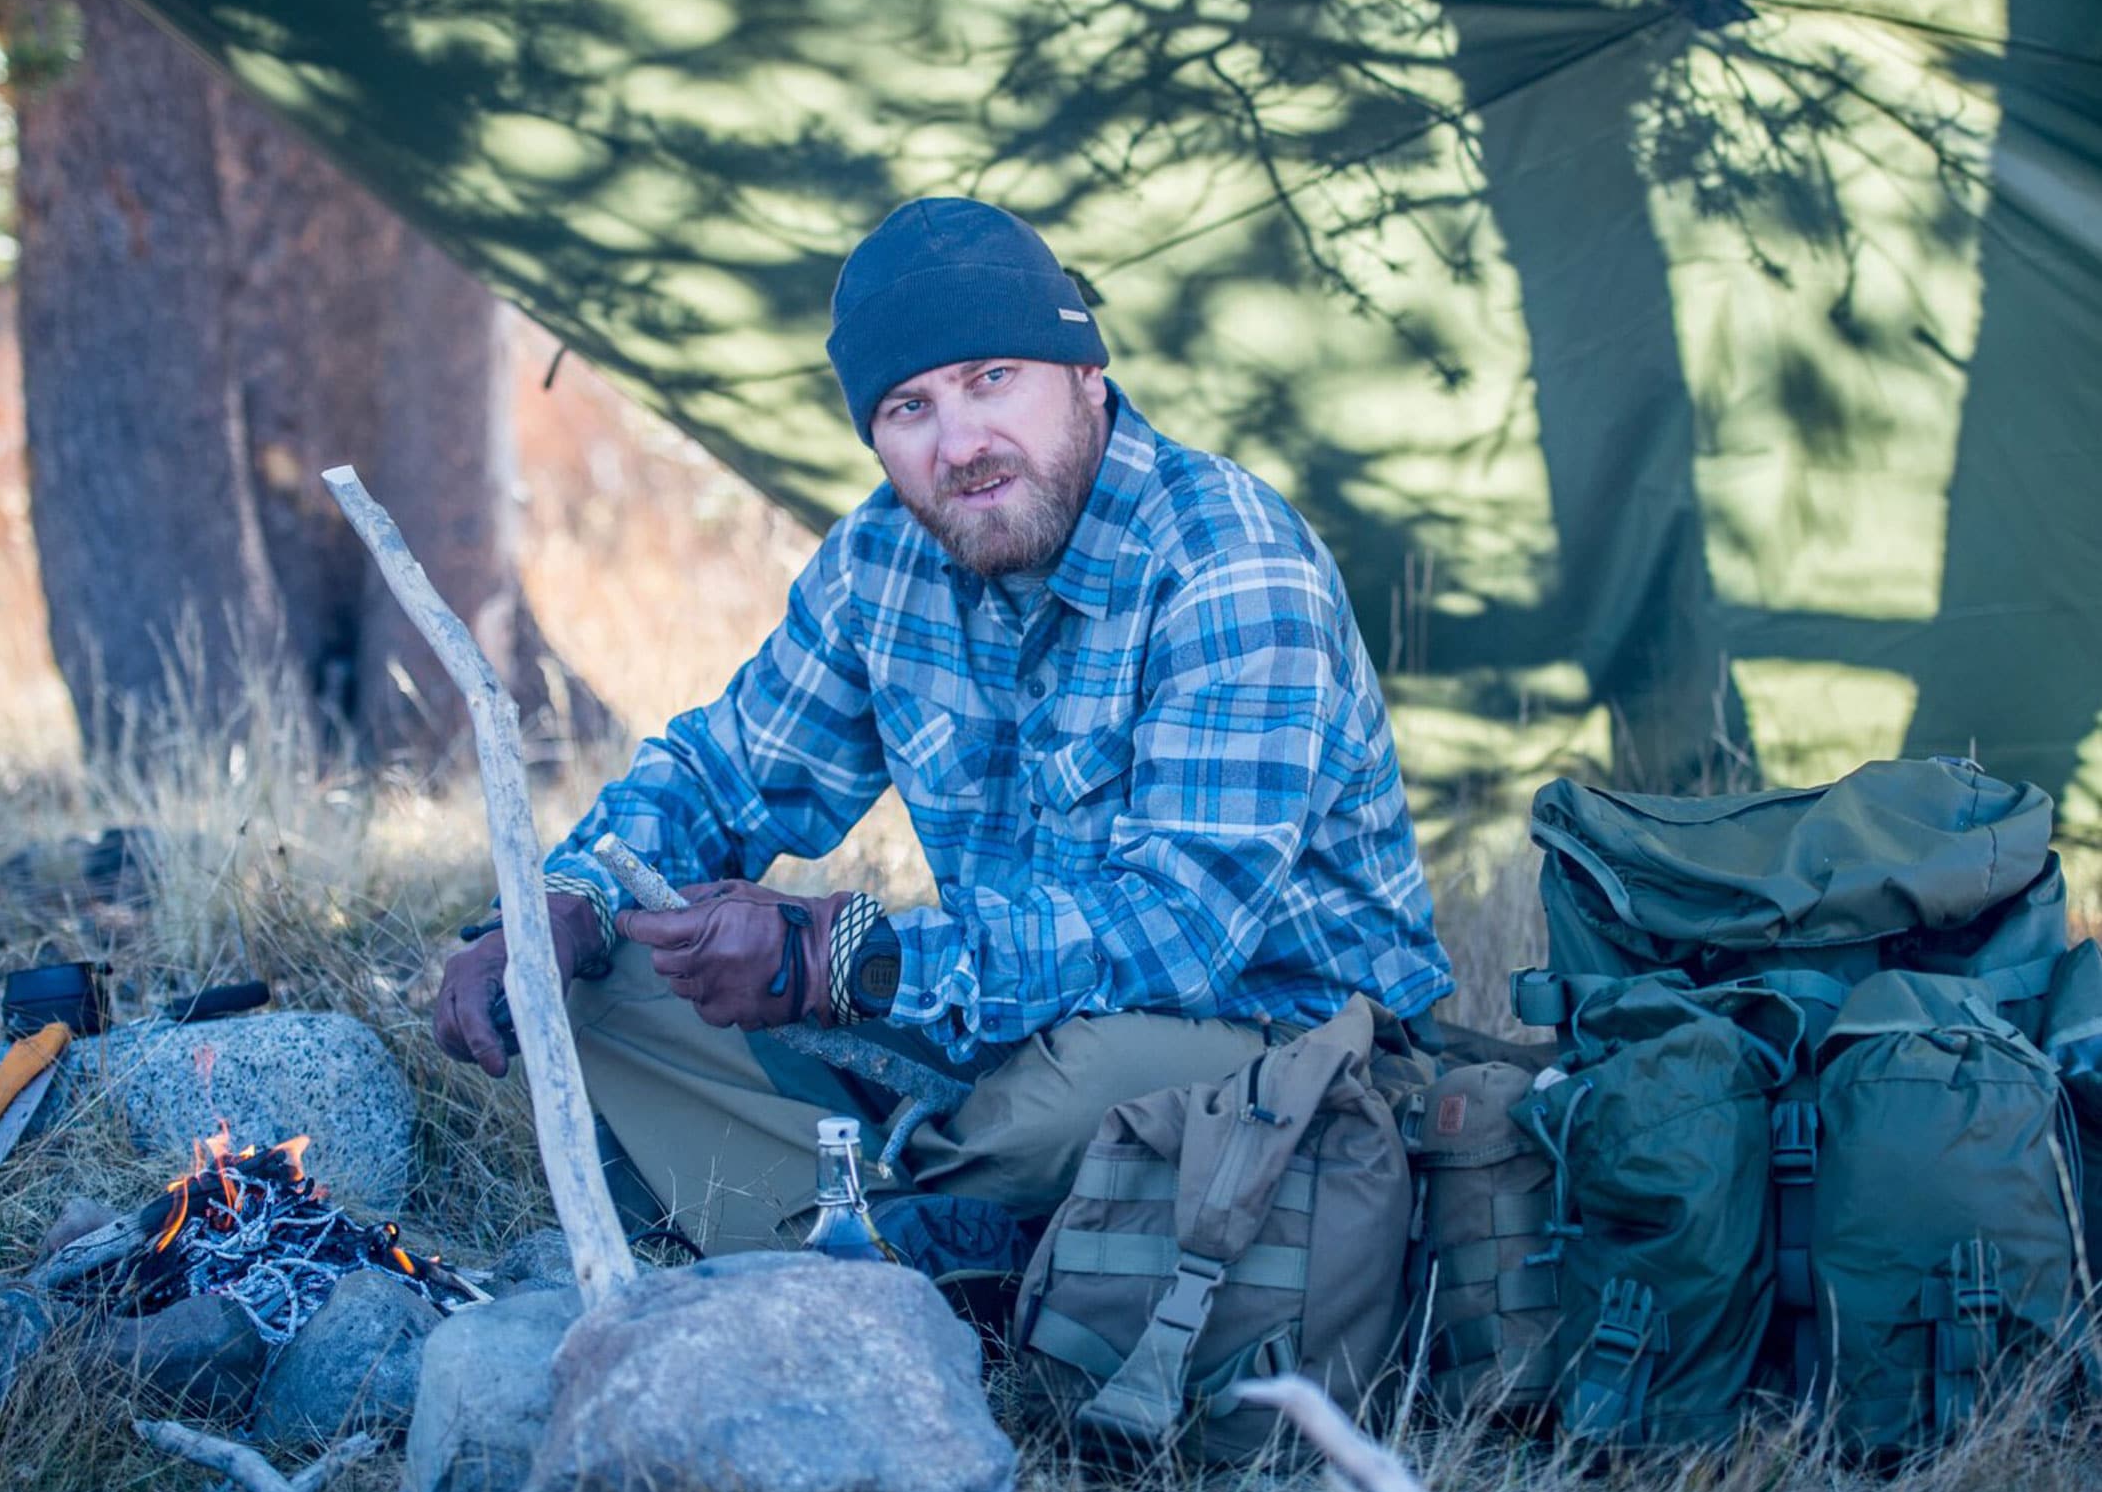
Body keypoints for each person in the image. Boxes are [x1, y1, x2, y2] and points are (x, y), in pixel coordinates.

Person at [435, 197, 1453, 1253]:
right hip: (1008, 1017)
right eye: (909, 409)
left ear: (1087, 376)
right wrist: (563, 901)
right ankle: (916, 1244)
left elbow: (1183, 934)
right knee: (611, 989)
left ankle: (845, 1216)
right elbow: (723, 779)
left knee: (1079, 1103)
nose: (961, 444)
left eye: (991, 379)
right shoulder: (883, 558)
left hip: (1280, 1034)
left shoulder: (1229, 562)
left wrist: (842, 963)